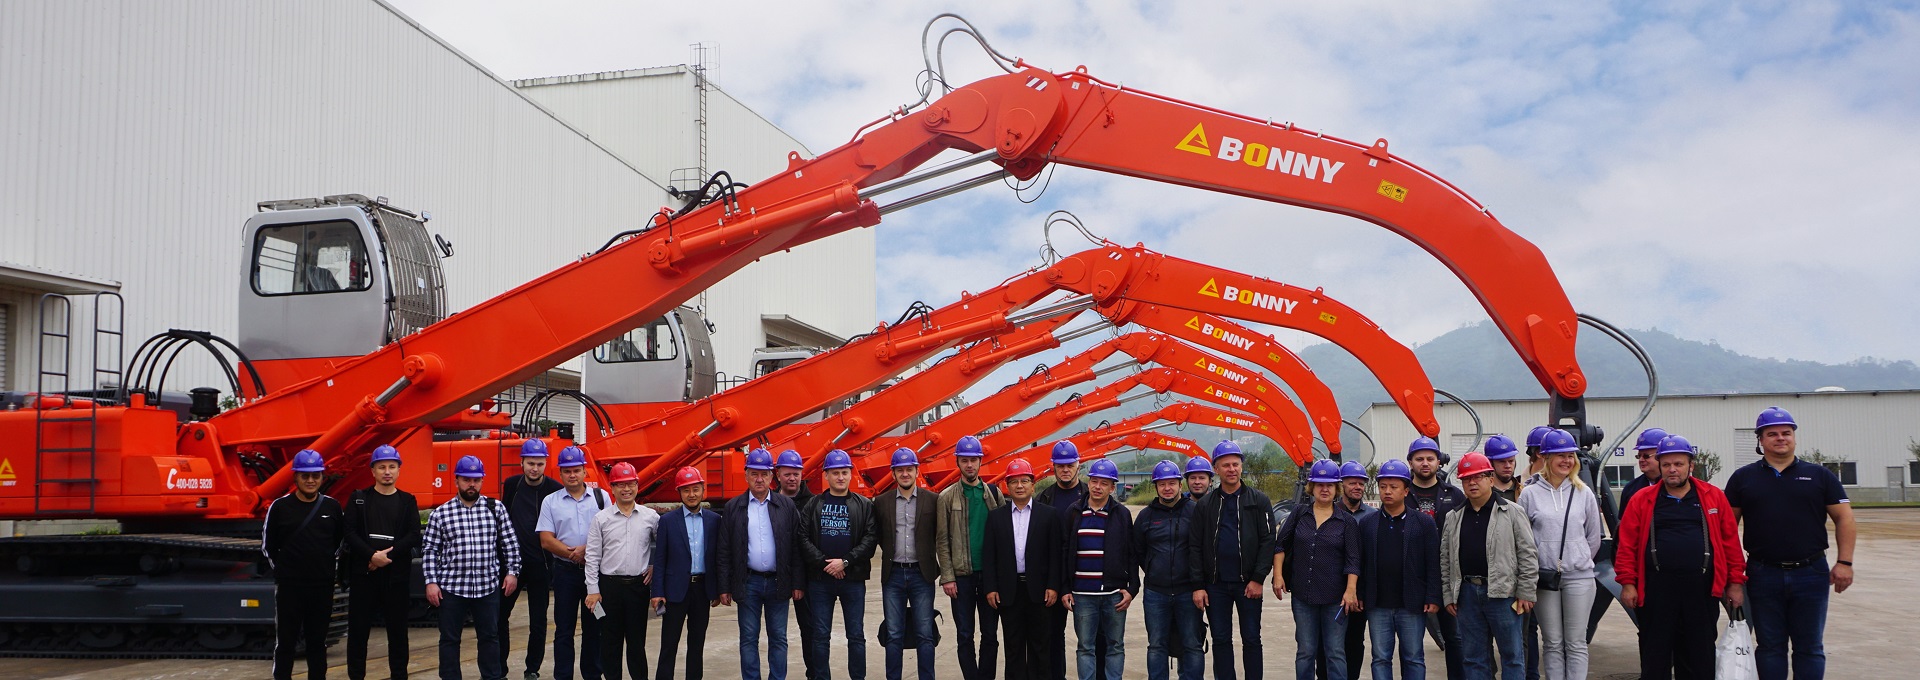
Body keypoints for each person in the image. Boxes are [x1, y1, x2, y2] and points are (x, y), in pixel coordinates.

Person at [1725, 406, 1852, 680]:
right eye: (1772, 434)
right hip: (1762, 573)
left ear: (1794, 437)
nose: (1780, 438)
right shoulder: (1743, 478)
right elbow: (1726, 529)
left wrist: (1844, 562)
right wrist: (1732, 573)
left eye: (1786, 432)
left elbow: (1845, 518)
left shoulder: (1820, 476)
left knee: (1810, 647)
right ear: (1760, 440)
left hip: (1811, 573)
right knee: (1770, 646)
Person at [1616, 435, 1747, 680]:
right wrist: (1628, 583)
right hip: (1656, 591)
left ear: (1691, 465)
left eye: (1678, 464)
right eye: (1666, 464)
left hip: (1701, 591)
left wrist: (1735, 583)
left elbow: (1730, 543)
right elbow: (1627, 546)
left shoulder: (1713, 496)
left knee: (1699, 659)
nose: (1672, 469)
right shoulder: (1642, 499)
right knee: (1655, 659)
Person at [424, 455, 523, 680]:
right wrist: (431, 582)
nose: (472, 484)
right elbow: (430, 550)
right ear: (456, 480)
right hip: (452, 588)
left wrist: (512, 572)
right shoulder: (441, 513)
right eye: (466, 480)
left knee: (490, 637)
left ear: (482, 481)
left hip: (487, 588)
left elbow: (510, 543)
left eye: (476, 480)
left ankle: (492, 676)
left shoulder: (495, 509)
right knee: (449, 639)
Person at [1440, 452, 1536, 680]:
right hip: (1466, 596)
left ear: (1490, 479)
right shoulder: (1453, 517)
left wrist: (1526, 591)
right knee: (1473, 658)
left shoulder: (1512, 512)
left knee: (1512, 656)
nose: (1472, 483)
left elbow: (1528, 554)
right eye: (1466, 479)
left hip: (1503, 595)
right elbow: (1445, 559)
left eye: (1478, 477)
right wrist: (1448, 594)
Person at [1516, 430, 1603, 680]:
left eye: (1570, 456)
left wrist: (1577, 558)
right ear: (1545, 457)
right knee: (1552, 642)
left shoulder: (1584, 492)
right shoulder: (1529, 494)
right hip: (1545, 579)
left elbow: (1593, 537)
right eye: (1560, 455)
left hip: (1579, 577)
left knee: (1576, 642)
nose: (1567, 460)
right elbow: (1523, 538)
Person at [1189, 440, 1275, 680]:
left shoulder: (1258, 501)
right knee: (1221, 639)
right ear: (1216, 469)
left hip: (1248, 584)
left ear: (1241, 466)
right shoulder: (1205, 505)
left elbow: (1268, 541)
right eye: (1225, 465)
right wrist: (1198, 585)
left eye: (1235, 464)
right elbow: (1195, 546)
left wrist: (1258, 578)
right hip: (1215, 586)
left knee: (1252, 638)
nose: (1231, 469)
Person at [719, 448, 806, 680]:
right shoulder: (733, 507)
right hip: (748, 582)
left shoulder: (785, 506)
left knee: (778, 637)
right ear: (746, 475)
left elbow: (796, 548)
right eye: (754, 474)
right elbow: (724, 550)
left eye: (764, 474)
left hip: (779, 582)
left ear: (771, 477)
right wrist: (724, 587)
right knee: (748, 638)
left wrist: (797, 583)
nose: (759, 479)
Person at [1274, 460, 1362, 680]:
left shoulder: (1346, 521)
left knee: (1335, 652)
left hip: (1335, 599)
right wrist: (1277, 576)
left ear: (1336, 488)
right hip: (1303, 596)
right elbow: (1280, 545)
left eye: (1329, 485)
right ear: (1311, 487)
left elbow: (1353, 559)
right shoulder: (1299, 514)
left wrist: (1350, 590)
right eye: (1320, 484)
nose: (1324, 489)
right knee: (1305, 651)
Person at [264, 449, 347, 680]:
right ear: (295, 477)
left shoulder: (332, 507)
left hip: (322, 587)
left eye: (315, 475)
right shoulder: (279, 507)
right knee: (286, 642)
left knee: (317, 642)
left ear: (322, 477)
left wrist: (325, 569)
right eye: (305, 475)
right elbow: (268, 546)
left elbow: (340, 543)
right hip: (290, 587)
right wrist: (286, 572)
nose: (310, 480)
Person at [981, 458, 1067, 680]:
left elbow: (1055, 554)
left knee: (1041, 648)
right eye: (1014, 481)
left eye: (1024, 481)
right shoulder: (996, 517)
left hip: (1040, 592)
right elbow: (989, 556)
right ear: (1007, 486)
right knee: (1014, 648)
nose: (1019, 486)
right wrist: (991, 588)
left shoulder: (1049, 515)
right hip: (1009, 593)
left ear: (1033, 485)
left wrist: (1053, 585)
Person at [799, 450, 880, 680]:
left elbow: (870, 539)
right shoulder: (813, 505)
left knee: (856, 636)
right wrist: (825, 564)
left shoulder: (864, 505)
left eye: (844, 472)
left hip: (852, 580)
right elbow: (802, 538)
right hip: (820, 581)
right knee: (820, 636)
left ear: (851, 474)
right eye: (835, 473)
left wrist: (844, 562)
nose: (840, 477)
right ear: (826, 475)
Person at [1359, 459, 1441, 680]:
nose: (1387, 491)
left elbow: (1433, 562)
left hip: (1411, 603)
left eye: (1394, 487)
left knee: (1413, 657)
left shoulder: (1423, 523)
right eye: (1383, 486)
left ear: (1406, 491)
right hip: (1378, 604)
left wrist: (1433, 596)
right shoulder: (1368, 524)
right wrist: (1360, 594)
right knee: (1380, 658)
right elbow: (1361, 563)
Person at [345, 445, 421, 680]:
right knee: (358, 634)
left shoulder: (407, 501)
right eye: (382, 467)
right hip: (364, 577)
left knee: (398, 634)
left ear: (399, 470)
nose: (387, 471)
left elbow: (413, 535)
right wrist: (371, 555)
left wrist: (385, 558)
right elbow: (349, 533)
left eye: (391, 467)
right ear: (373, 471)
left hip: (395, 579)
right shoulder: (359, 499)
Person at [538, 446, 612, 680]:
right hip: (565, 574)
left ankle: (593, 675)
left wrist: (587, 551)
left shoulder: (601, 497)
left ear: (584, 471)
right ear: (560, 473)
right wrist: (575, 554)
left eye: (576, 470)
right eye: (567, 471)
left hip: (595, 574)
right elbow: (546, 539)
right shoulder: (551, 502)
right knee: (564, 630)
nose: (572, 475)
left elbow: (611, 532)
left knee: (595, 628)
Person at [936, 438, 1005, 680]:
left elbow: (1004, 537)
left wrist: (1001, 576)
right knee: (964, 635)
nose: (969, 465)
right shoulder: (946, 497)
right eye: (964, 460)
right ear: (958, 462)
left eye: (973, 460)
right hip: (961, 578)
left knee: (990, 634)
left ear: (980, 462)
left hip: (989, 577)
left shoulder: (994, 494)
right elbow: (942, 540)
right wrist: (947, 576)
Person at [581, 461, 656, 680]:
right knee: (610, 643)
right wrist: (593, 590)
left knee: (636, 642)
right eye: (620, 484)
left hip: (638, 588)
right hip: (609, 589)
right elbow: (592, 556)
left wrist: (655, 566)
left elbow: (663, 548)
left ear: (637, 486)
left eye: (631, 484)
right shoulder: (601, 519)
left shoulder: (650, 517)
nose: (626, 489)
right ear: (612, 488)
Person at [1065, 459, 1137, 680]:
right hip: (1082, 595)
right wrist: (1065, 588)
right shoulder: (1074, 512)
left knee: (1115, 645)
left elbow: (1131, 553)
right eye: (1094, 481)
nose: (1097, 487)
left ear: (1112, 487)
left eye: (1104, 483)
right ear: (1088, 483)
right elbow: (1064, 551)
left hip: (1113, 595)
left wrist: (1132, 589)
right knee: (1085, 647)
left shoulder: (1121, 514)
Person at [874, 447, 941, 680]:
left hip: (922, 575)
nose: (905, 474)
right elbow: (879, 535)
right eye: (900, 470)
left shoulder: (932, 500)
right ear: (893, 473)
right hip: (893, 575)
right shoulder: (881, 502)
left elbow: (940, 535)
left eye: (909, 469)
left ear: (917, 471)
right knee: (893, 634)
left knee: (925, 634)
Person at [1134, 460, 1205, 680]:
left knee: (1192, 644)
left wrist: (1198, 583)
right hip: (1156, 592)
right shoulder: (1145, 516)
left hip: (1189, 591)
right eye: (1162, 484)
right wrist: (1155, 569)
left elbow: (1204, 548)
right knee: (1156, 645)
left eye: (1172, 483)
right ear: (1156, 487)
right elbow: (1138, 551)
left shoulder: (1195, 512)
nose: (1167, 488)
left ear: (1180, 485)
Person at [1405, 437, 1467, 679]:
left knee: (1455, 637)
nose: (1425, 463)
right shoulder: (1402, 494)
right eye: (1419, 459)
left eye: (1430, 458)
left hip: (1447, 577)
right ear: (1410, 462)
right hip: (1413, 577)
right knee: (1411, 642)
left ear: (1438, 462)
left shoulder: (1455, 495)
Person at [501, 439, 563, 680]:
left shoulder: (554, 490)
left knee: (538, 621)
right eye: (530, 463)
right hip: (512, 566)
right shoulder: (512, 485)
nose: (534, 468)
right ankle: (500, 669)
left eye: (539, 464)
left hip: (541, 565)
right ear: (522, 463)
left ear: (546, 464)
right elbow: (504, 520)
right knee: (499, 616)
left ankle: (532, 669)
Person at [651, 466, 720, 680]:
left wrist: (717, 590)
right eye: (686, 490)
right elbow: (660, 559)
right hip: (675, 591)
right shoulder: (667, 521)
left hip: (702, 589)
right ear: (679, 492)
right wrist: (657, 592)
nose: (692, 494)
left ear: (703, 490)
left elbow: (718, 558)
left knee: (697, 644)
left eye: (696, 489)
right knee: (669, 643)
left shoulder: (714, 520)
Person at [1035, 440, 1090, 679]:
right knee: (1053, 635)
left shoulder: (1091, 494)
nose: (1065, 470)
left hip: (1085, 576)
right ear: (1053, 467)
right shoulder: (1043, 498)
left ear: (1078, 465)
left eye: (1070, 465)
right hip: (1054, 578)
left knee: (1091, 638)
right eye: (1060, 466)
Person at [775, 449, 821, 680]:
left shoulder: (814, 503)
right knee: (776, 632)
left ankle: (813, 673)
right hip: (776, 575)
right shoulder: (769, 502)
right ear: (778, 475)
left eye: (796, 474)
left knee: (810, 628)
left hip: (809, 576)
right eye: (787, 474)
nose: (792, 478)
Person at [1329, 461, 1376, 680]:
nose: (1357, 487)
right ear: (1341, 485)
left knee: (1355, 642)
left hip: (1360, 594)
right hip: (1330, 592)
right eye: (1352, 483)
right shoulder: (1329, 512)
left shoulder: (1372, 516)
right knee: (1328, 643)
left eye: (1361, 483)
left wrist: (1360, 592)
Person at [1618, 428, 1669, 509]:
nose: (1641, 460)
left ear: (1661, 456)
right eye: (1639, 456)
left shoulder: (1675, 485)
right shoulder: (1631, 488)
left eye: (1646, 456)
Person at [1484, 435, 1522, 503]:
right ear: (1490, 463)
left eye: (1511, 461)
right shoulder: (1480, 494)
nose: (1507, 466)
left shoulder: (1524, 492)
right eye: (1502, 461)